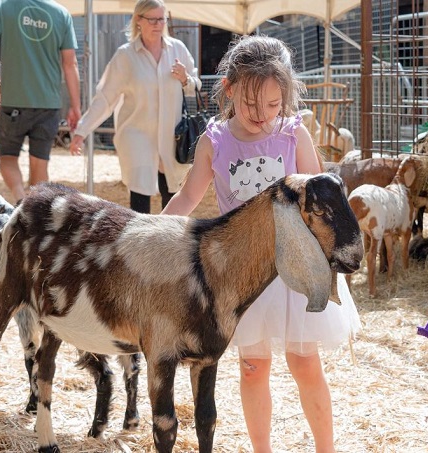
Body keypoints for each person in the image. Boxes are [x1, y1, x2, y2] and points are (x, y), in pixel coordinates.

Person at [162, 35, 360, 452]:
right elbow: (188, 197)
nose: (263, 115)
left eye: (274, 105)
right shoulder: (214, 140)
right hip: (244, 272)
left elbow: (320, 195)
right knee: (253, 367)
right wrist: (153, 232)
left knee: (305, 363)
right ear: (230, 88)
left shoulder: (292, 133)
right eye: (253, 105)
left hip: (295, 267)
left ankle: (327, 448)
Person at [69, 0, 201, 213]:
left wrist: (186, 79)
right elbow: (105, 98)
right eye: (153, 19)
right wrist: (81, 131)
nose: (159, 24)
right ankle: (139, 244)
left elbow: (195, 85)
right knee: (140, 199)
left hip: (171, 138)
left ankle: (170, 244)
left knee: (172, 196)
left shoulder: (178, 49)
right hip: (137, 137)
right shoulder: (125, 55)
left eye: (162, 18)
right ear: (138, 20)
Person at [0, 0, 81, 202]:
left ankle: (19, 198)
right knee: (39, 165)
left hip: (13, 100)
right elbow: (70, 63)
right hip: (48, 103)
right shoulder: (61, 13)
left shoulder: (4, 6)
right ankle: (32, 210)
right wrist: (75, 106)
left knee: (8, 158)